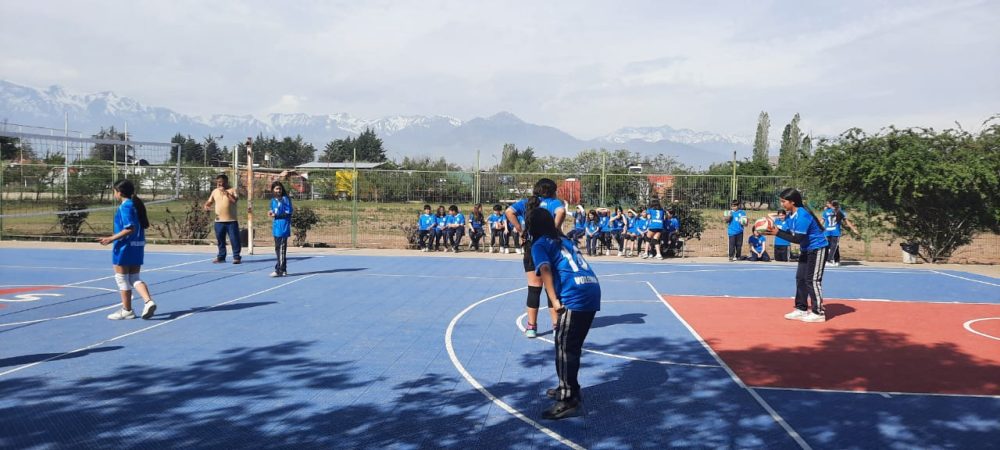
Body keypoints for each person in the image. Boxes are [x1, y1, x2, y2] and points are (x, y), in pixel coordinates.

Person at [526, 207, 601, 420]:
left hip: (575, 294)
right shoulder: (563, 240)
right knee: (570, 344)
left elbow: (545, 270)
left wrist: (555, 299)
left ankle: (568, 399)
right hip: (591, 289)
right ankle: (569, 388)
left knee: (564, 347)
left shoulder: (540, 244)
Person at [506, 178, 565, 339]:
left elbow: (509, 212)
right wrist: (556, 229)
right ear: (552, 191)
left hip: (531, 246)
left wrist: (519, 229)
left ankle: (532, 327)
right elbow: (561, 212)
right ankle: (556, 326)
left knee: (534, 288)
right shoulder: (554, 203)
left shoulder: (527, 202)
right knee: (551, 287)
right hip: (549, 245)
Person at [763, 188, 829, 323]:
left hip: (818, 248)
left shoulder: (802, 216)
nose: (781, 204)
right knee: (800, 278)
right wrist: (769, 228)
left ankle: (818, 312)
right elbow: (785, 230)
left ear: (792, 202)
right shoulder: (790, 216)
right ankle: (801, 308)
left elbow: (797, 238)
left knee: (813, 280)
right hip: (806, 249)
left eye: (783, 201)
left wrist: (777, 233)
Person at [100, 179, 157, 320]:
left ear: (119, 193)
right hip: (137, 246)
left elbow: (129, 228)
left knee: (122, 279)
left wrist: (111, 238)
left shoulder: (126, 206)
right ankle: (148, 301)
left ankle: (127, 310)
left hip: (124, 247)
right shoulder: (136, 205)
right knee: (134, 278)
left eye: (114, 191)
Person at [204, 174, 241, 264]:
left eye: (221, 182)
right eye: (218, 182)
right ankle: (221, 256)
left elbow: (234, 201)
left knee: (234, 239)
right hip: (219, 221)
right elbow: (208, 202)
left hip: (231, 221)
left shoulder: (232, 190)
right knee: (220, 240)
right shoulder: (215, 191)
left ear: (226, 181)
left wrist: (226, 192)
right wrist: (206, 206)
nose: (219, 184)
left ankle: (236, 257)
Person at [267, 181, 293, 277]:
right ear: (273, 190)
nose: (278, 190)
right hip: (276, 227)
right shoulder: (273, 200)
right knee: (279, 249)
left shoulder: (285, 199)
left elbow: (288, 213)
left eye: (280, 189)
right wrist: (270, 212)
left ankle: (279, 270)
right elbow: (273, 211)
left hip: (283, 227)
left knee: (281, 249)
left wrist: (276, 214)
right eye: (277, 189)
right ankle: (284, 269)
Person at [823, 200, 859, 267]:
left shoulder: (836, 212)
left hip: (832, 231)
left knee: (833, 246)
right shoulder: (829, 212)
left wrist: (853, 229)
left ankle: (833, 260)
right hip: (830, 231)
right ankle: (833, 260)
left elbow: (846, 221)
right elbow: (822, 221)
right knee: (832, 246)